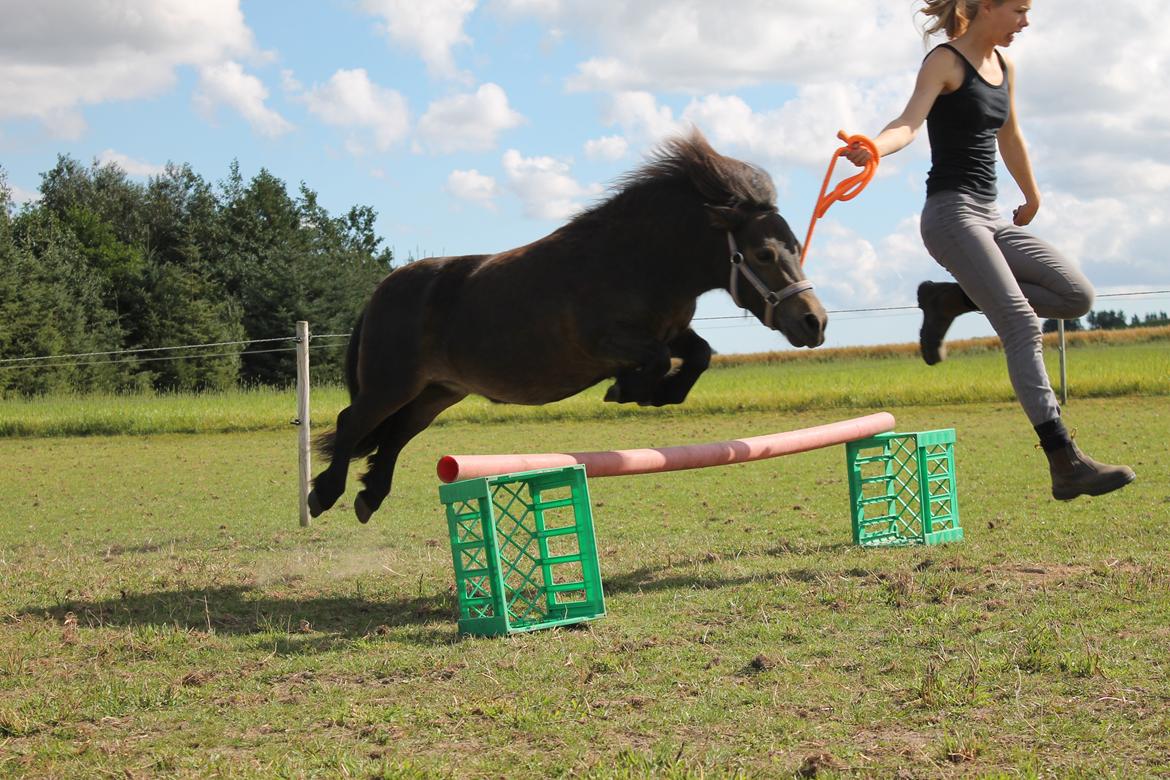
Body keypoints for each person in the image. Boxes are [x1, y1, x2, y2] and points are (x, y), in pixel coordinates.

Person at [843, 0, 1135, 500]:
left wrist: (1032, 192)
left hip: (992, 215)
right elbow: (910, 122)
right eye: (1019, 10)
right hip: (951, 215)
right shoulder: (945, 61)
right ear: (986, 7)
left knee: (1075, 296)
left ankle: (951, 300)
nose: (1026, 21)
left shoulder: (1005, 67)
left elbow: (1011, 134)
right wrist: (873, 147)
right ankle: (1064, 461)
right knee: (1020, 322)